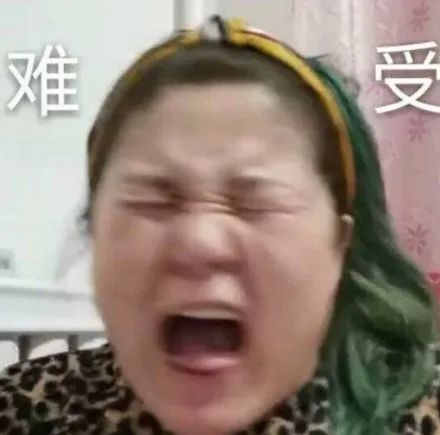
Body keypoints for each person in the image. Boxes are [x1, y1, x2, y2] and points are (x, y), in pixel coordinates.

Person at [0, 16, 438, 435]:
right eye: (154, 199)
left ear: (339, 246)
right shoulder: (22, 409)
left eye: (255, 202)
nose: (199, 241)